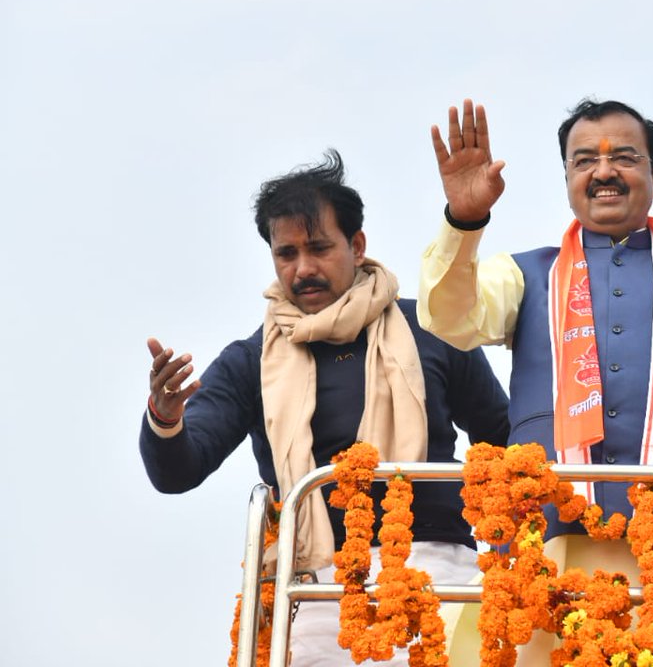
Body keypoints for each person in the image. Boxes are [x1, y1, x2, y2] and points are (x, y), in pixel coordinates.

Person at [418, 98, 653, 662]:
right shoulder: (524, 274)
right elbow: (449, 317)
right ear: (568, 180)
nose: (603, 172)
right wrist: (464, 222)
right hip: (544, 552)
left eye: (624, 157)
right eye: (584, 161)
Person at [139, 150, 509, 666]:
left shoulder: (431, 328)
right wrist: (165, 416)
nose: (303, 269)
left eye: (318, 248)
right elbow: (178, 471)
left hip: (439, 574)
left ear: (357, 246)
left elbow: (504, 437)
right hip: (313, 593)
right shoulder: (251, 360)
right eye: (286, 253)